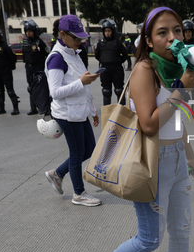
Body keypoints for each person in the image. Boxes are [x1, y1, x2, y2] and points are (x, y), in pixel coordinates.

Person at [88, 6, 194, 252]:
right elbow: (148, 123)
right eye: (163, 32)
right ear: (149, 39)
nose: (173, 37)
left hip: (178, 160)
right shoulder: (145, 71)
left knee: (182, 228)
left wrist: (191, 157)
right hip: (152, 164)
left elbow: (177, 120)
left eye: (178, 30)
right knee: (149, 239)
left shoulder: (176, 68)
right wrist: (182, 89)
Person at [43, 15, 102, 207]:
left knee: (90, 149)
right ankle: (79, 194)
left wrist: (92, 110)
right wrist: (81, 82)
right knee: (77, 153)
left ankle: (57, 173)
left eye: (81, 38)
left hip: (79, 111)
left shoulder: (74, 54)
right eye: (76, 38)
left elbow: (83, 85)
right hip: (67, 115)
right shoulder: (56, 58)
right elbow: (56, 92)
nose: (80, 42)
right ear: (62, 34)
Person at [95, 19, 128, 106]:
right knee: (106, 91)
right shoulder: (101, 43)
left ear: (112, 31)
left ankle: (121, 112)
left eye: (109, 31)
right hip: (105, 70)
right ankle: (107, 113)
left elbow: (125, 54)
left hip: (117, 69)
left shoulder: (117, 42)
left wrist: (117, 61)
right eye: (105, 31)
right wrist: (104, 61)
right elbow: (97, 55)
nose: (107, 33)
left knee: (119, 91)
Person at [21, 19, 50, 115]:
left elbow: (47, 54)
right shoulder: (24, 42)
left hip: (39, 67)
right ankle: (33, 108)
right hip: (29, 68)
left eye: (30, 31)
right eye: (27, 31)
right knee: (31, 88)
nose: (28, 33)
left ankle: (45, 108)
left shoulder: (40, 42)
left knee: (42, 88)